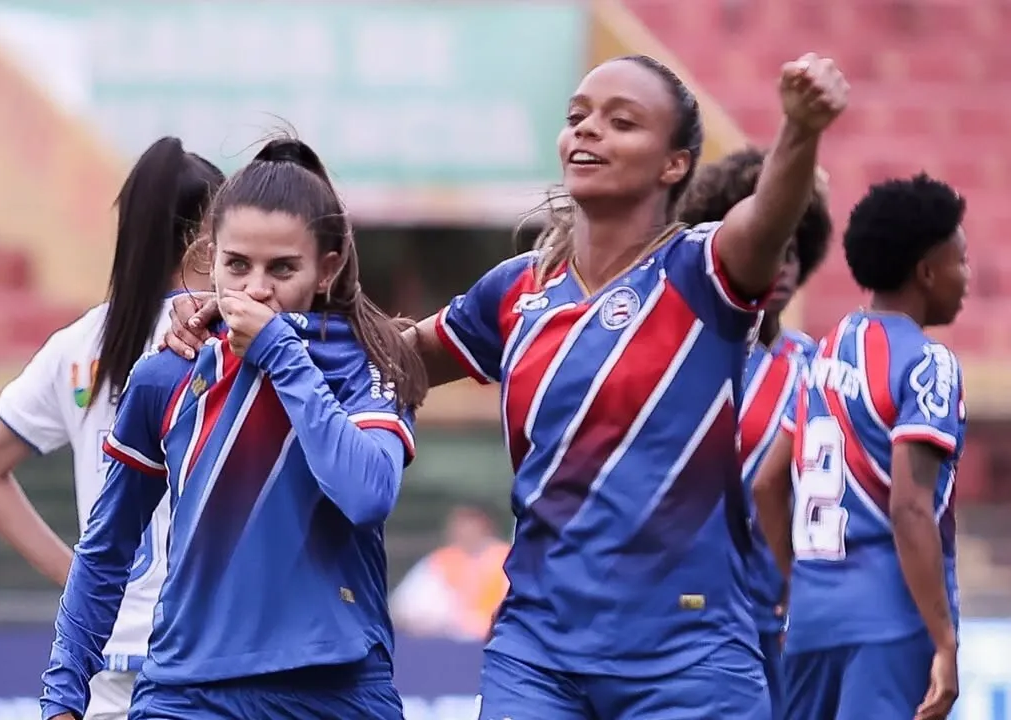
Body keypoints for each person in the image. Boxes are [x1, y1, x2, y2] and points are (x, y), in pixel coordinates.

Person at [164, 54, 848, 718]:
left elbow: (765, 223)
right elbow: (388, 360)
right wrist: (231, 318)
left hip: (689, 656)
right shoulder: (518, 290)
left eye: (621, 121)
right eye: (578, 115)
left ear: (675, 164)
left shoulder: (702, 273)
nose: (587, 130)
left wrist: (800, 130)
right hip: (537, 654)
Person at [39, 137, 429, 720]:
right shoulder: (167, 374)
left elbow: (367, 494)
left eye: (282, 269)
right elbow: (105, 549)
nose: (256, 289)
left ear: (327, 269)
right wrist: (65, 693)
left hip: (333, 688)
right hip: (185, 692)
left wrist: (282, 353)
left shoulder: (365, 361)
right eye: (237, 265)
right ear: (209, 258)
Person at [0, 137, 223, 720]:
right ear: (208, 236)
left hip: (101, 665)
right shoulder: (226, 340)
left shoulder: (79, 345)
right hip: (202, 662)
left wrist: (79, 578)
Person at [752, 174, 968, 720]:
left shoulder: (823, 353)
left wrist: (790, 587)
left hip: (810, 623)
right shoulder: (927, 363)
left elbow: (767, 482)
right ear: (927, 271)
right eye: (959, 261)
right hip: (892, 622)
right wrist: (944, 641)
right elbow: (910, 505)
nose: (966, 278)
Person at [675, 146, 833, 719]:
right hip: (693, 614)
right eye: (773, 247)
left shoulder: (818, 366)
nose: (784, 264)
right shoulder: (687, 355)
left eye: (795, 250)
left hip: (785, 612)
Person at [390, 503, 510, 641]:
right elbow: (403, 607)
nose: (464, 531)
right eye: (459, 525)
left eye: (470, 525)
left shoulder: (507, 560)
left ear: (486, 527)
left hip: (495, 642)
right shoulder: (440, 561)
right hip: (445, 645)